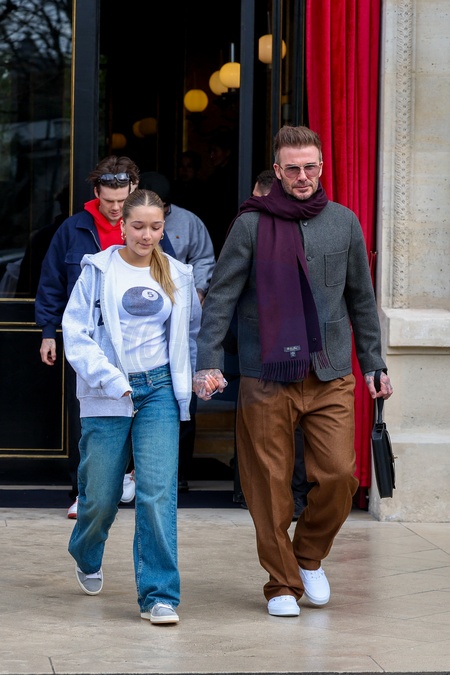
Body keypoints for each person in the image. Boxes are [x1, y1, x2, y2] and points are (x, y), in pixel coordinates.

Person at [193, 125, 393, 618]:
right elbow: (221, 297)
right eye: (293, 168)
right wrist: (209, 361)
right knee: (269, 484)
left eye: (310, 167)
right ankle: (281, 583)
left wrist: (374, 362)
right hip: (266, 372)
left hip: (329, 371)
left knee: (340, 476)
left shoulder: (344, 222)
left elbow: (361, 299)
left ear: (321, 167)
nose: (303, 176)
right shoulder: (250, 226)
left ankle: (306, 557)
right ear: (277, 171)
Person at [61, 188, 201, 624]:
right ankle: (86, 550)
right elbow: (75, 334)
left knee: (157, 493)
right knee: (100, 496)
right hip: (108, 391)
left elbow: (190, 335)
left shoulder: (177, 274)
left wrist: (195, 377)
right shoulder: (98, 271)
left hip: (159, 390)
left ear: (163, 228)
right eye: (138, 226)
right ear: (121, 226)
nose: (146, 235)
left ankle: (160, 595)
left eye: (155, 227)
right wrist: (111, 380)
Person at [35, 156, 177, 518]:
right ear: (96, 192)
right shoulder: (73, 228)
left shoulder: (149, 231)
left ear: (134, 191)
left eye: (121, 200)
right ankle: (84, 492)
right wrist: (49, 331)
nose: (115, 208)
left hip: (143, 346)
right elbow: (51, 281)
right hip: (92, 341)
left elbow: (173, 282)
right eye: (108, 200)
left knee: (146, 418)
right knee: (88, 420)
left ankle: (130, 479)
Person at [138, 170, 216, 492]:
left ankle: (179, 473)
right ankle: (135, 476)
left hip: (183, 321)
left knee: (184, 398)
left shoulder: (189, 222)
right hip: (142, 323)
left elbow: (205, 258)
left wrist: (198, 289)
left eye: (164, 211)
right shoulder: (129, 226)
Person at [203, 126, 239, 257]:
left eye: (215, 151)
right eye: (210, 152)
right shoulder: (215, 177)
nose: (211, 156)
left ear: (227, 152)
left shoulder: (235, 176)